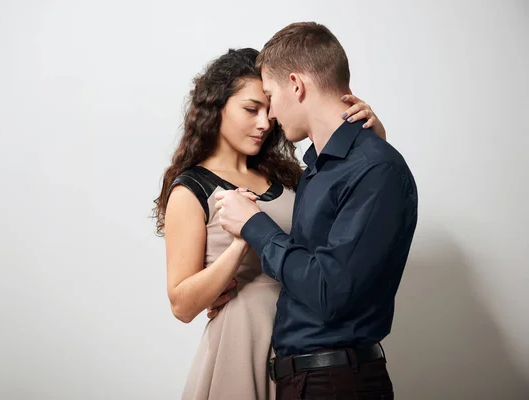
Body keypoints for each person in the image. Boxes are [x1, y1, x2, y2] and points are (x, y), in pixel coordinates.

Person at [153, 47, 386, 400]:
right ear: (217, 107)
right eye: (250, 109)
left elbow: (345, 215)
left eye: (269, 109)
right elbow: (182, 304)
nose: (265, 123)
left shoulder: (288, 175)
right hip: (241, 344)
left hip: (307, 342)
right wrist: (241, 243)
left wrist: (373, 139)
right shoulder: (191, 189)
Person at [215, 22, 418, 400]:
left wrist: (253, 226)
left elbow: (329, 289)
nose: (271, 114)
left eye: (271, 96)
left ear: (296, 85)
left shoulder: (376, 168)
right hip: (305, 380)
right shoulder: (319, 173)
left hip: (336, 383)